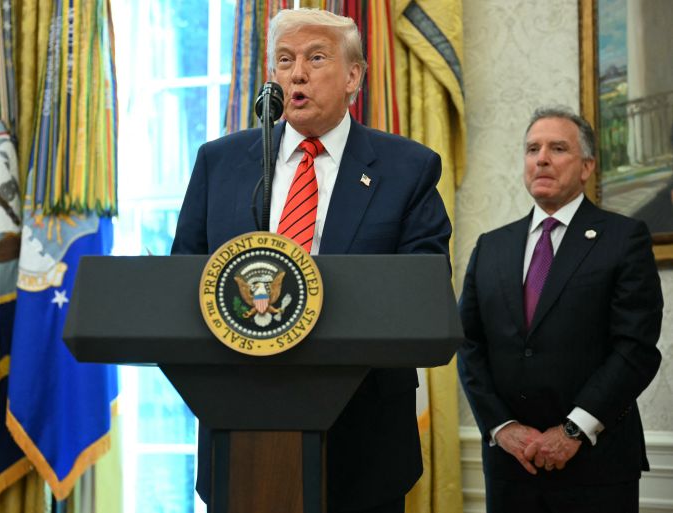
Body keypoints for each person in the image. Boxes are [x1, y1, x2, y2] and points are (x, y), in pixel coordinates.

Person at [171, 8, 451, 513]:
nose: (296, 73)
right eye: (284, 60)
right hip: (240, 424)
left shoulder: (408, 168)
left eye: (314, 58)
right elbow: (183, 275)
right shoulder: (222, 162)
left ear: (353, 76)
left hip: (363, 432)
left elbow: (420, 290)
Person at [458, 105, 663, 513]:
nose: (542, 159)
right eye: (533, 149)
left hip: (596, 465)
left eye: (557, 148)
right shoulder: (491, 247)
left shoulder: (624, 239)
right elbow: (468, 344)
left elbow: (636, 350)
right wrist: (502, 427)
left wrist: (573, 430)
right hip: (511, 466)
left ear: (586, 166)